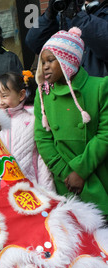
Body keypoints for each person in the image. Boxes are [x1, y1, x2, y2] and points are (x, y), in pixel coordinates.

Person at [34, 27, 108, 219]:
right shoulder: (42, 94)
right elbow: (42, 137)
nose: (45, 67)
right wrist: (66, 173)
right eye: (43, 62)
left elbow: (105, 134)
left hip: (96, 172)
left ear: (68, 60)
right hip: (64, 180)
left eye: (51, 60)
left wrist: (81, 171)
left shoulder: (99, 87)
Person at [0, 71, 55, 191]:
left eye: (4, 96)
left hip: (30, 186)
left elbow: (41, 158)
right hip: (1, 188)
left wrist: (47, 190)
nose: (0, 102)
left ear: (21, 95)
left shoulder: (32, 120)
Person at [25, 0, 108, 77]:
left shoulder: (77, 14)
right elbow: (34, 42)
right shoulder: (69, 12)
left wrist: (79, 17)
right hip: (70, 87)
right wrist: (49, 15)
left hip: (99, 88)